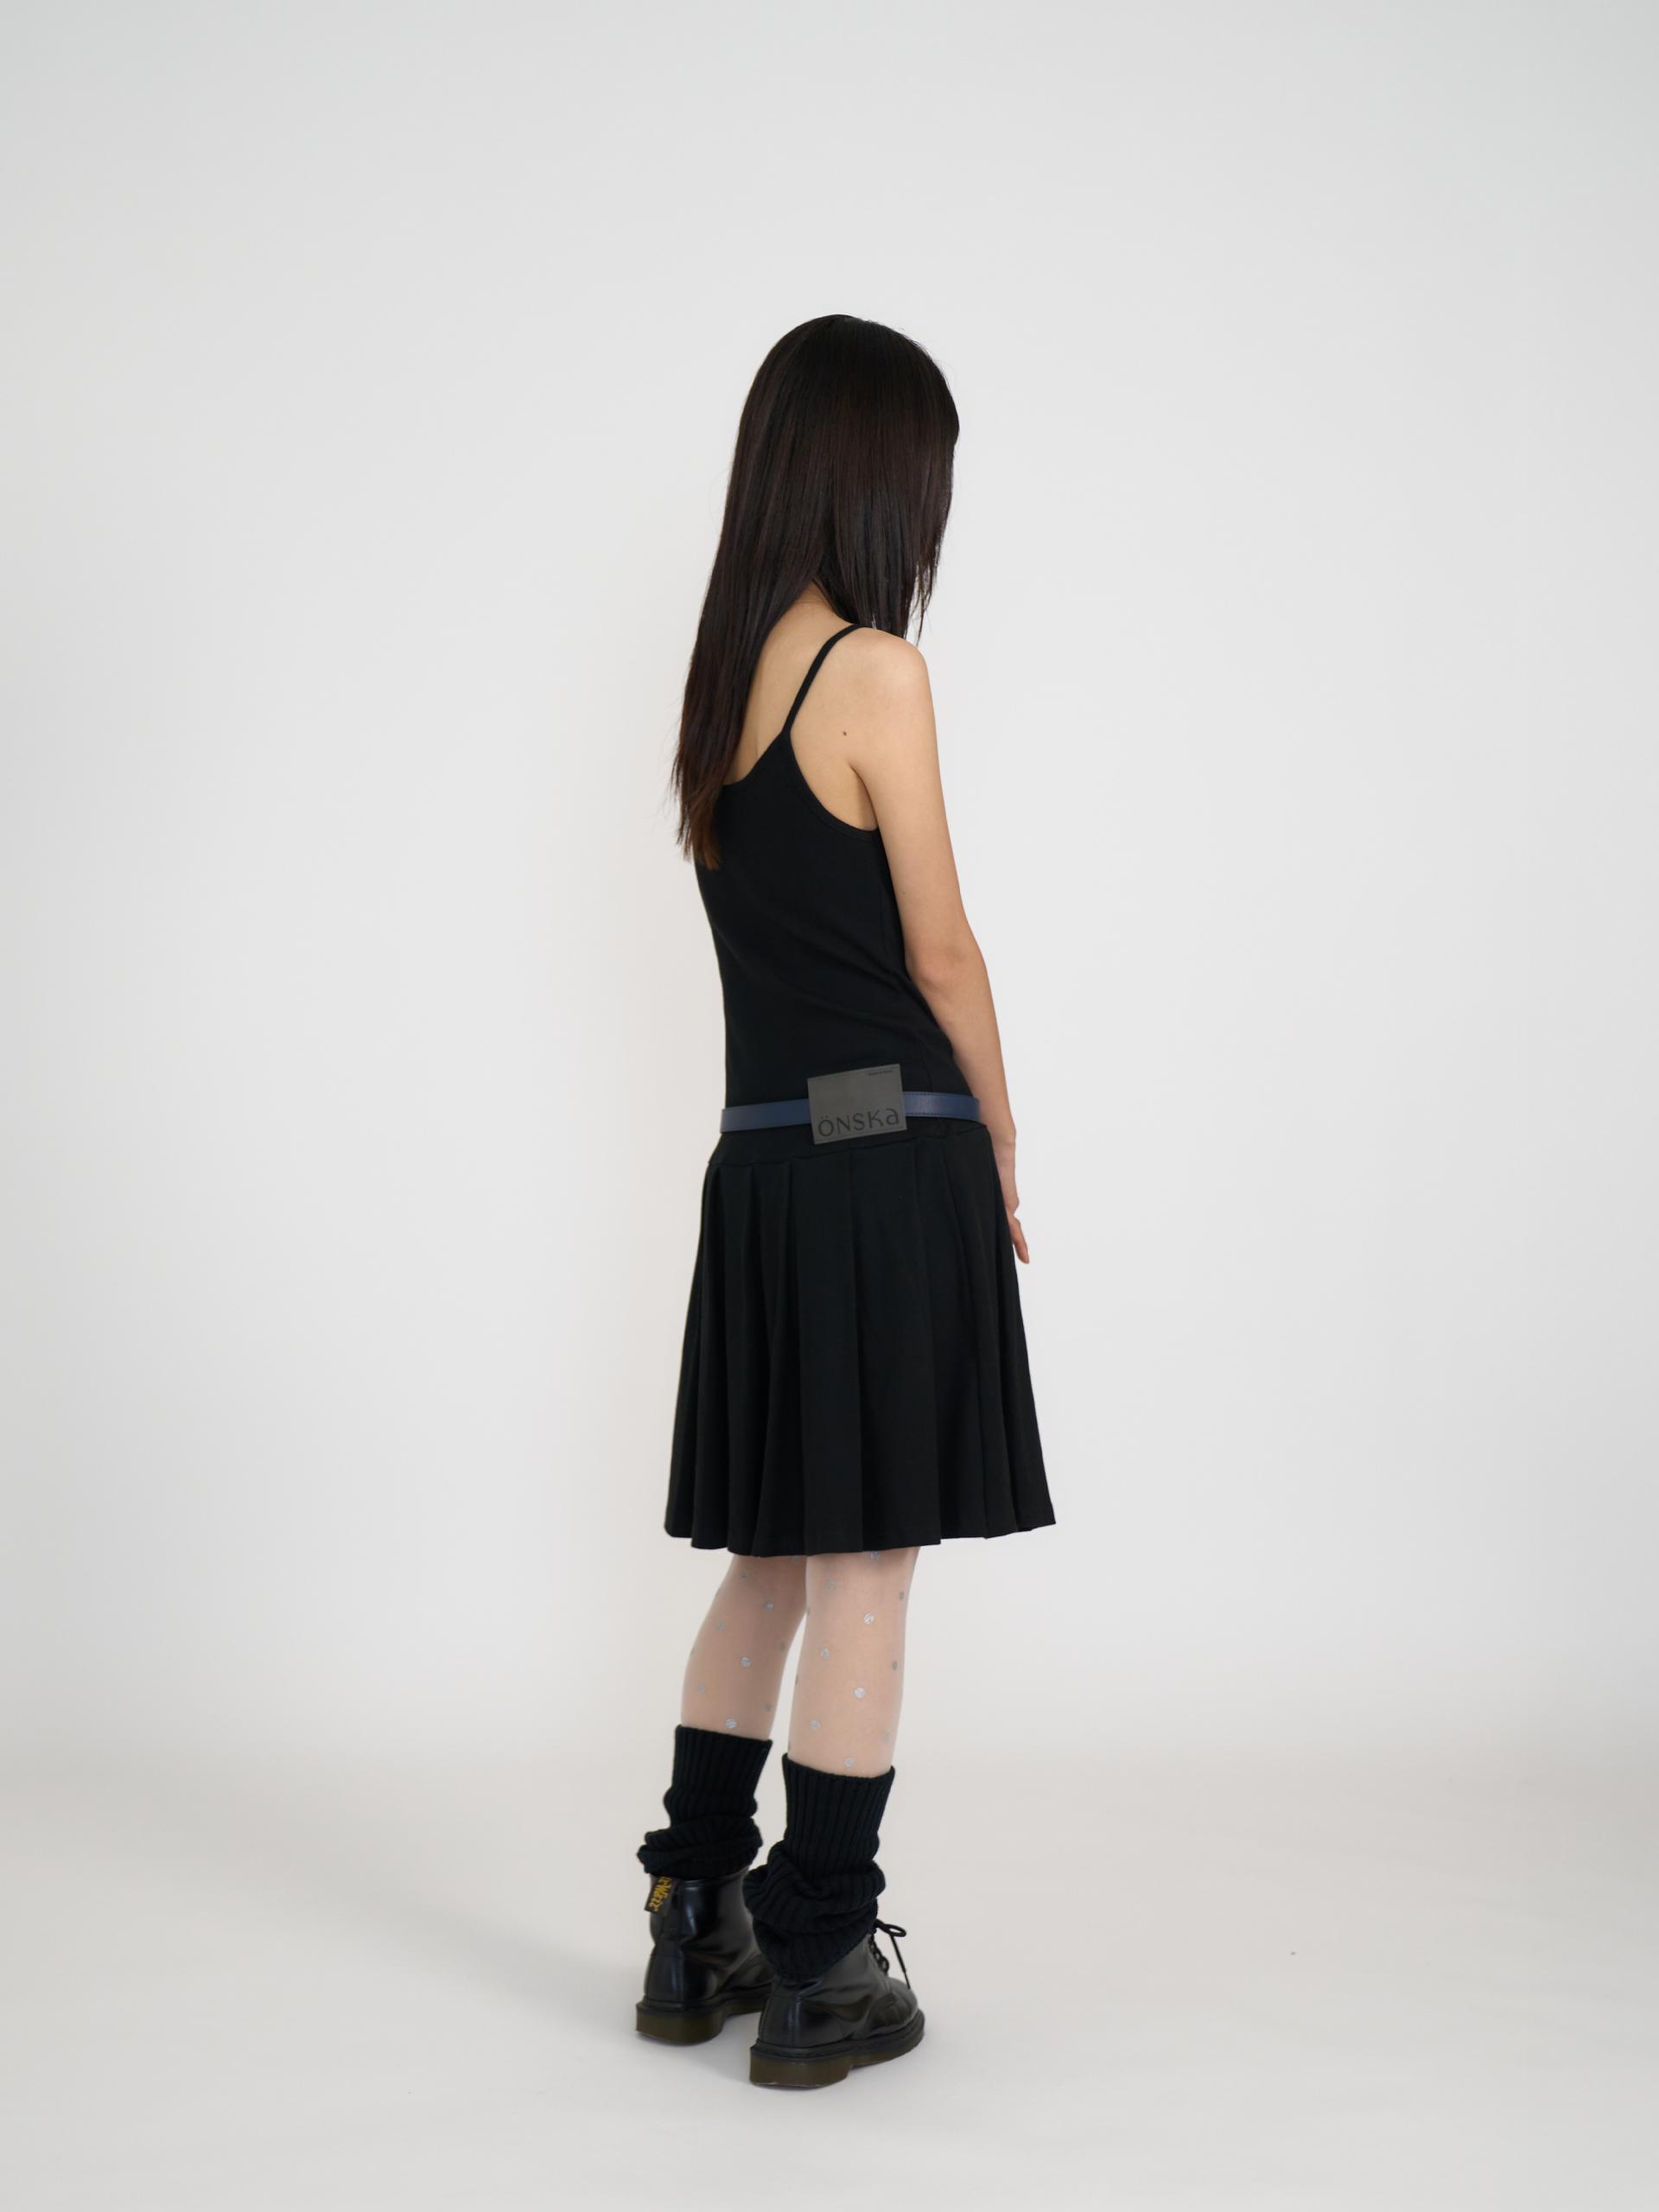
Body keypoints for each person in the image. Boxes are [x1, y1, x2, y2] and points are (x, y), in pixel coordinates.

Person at [634, 314, 1055, 2090]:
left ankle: (692, 1916)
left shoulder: (716, 688)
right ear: (879, 474)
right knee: (868, 1561)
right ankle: (820, 1953)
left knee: (772, 1560)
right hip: (887, 1158)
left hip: (763, 1165)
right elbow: (938, 947)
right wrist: (1006, 1131)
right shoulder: (875, 673)